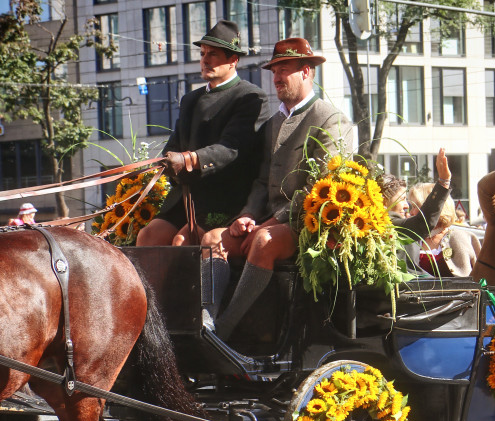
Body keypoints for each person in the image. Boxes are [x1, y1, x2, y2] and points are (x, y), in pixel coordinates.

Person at [200, 37, 353, 340]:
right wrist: (247, 215)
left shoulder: (330, 119)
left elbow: (317, 190)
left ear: (307, 72)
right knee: (212, 238)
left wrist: (268, 224)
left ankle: (224, 331)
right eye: (274, 71)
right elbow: (260, 181)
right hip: (268, 221)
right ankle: (205, 322)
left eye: (284, 70)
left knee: (264, 242)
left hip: (310, 225)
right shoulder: (273, 123)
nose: (277, 78)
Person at [136, 20, 269, 247]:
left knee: (180, 242)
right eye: (203, 53)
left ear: (233, 61)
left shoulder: (250, 97)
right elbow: (173, 146)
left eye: (213, 54)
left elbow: (230, 148)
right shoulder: (191, 99)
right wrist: (163, 162)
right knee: (147, 236)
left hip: (225, 200)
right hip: (186, 198)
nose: (205, 60)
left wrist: (187, 160)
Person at [404, 183, 480, 277]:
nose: (411, 212)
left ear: (432, 208)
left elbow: (478, 278)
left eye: (415, 206)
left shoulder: (460, 237)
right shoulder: (412, 238)